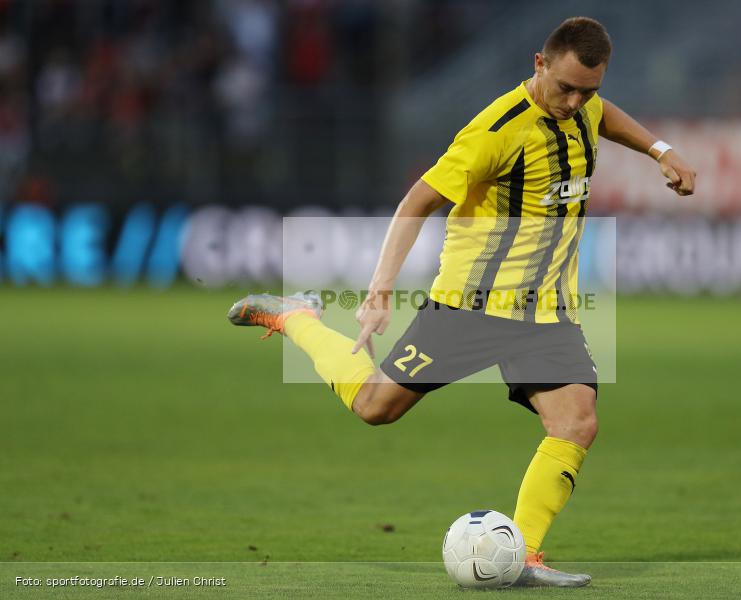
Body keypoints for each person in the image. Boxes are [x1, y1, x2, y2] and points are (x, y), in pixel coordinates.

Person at [229, 16, 695, 587]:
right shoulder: (495, 131)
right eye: (566, 88)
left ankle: (526, 556)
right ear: (539, 64)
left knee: (576, 422)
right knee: (376, 407)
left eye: (587, 90)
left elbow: (605, 114)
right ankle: (297, 317)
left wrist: (660, 150)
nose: (576, 102)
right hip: (469, 306)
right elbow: (415, 202)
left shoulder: (582, 105)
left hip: (545, 312)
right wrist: (379, 293)